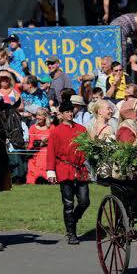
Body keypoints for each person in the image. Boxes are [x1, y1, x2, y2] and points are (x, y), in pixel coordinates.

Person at [46, 100, 90, 245]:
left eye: (71, 111)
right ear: (61, 114)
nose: (70, 114)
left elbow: (87, 149)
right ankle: (71, 233)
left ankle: (73, 220)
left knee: (84, 201)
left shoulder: (81, 129)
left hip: (80, 169)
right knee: (68, 203)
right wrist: (51, 171)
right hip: (64, 168)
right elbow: (51, 152)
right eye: (67, 112)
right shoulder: (56, 131)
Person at [26, 108, 52, 184]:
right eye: (37, 115)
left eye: (40, 115)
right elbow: (31, 143)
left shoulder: (51, 127)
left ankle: (45, 177)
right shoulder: (32, 127)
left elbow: (54, 141)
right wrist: (40, 144)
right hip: (35, 151)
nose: (38, 117)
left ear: (45, 117)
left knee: (44, 153)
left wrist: (46, 143)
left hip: (48, 151)